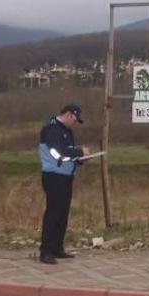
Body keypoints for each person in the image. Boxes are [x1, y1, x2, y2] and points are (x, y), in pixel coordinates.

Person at [37, 103, 89, 264]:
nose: (75, 123)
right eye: (75, 119)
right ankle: (46, 251)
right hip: (54, 176)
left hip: (66, 176)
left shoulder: (67, 131)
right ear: (67, 115)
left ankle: (57, 247)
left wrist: (80, 159)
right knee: (53, 213)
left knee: (63, 213)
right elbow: (57, 153)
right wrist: (80, 152)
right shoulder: (51, 130)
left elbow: (68, 155)